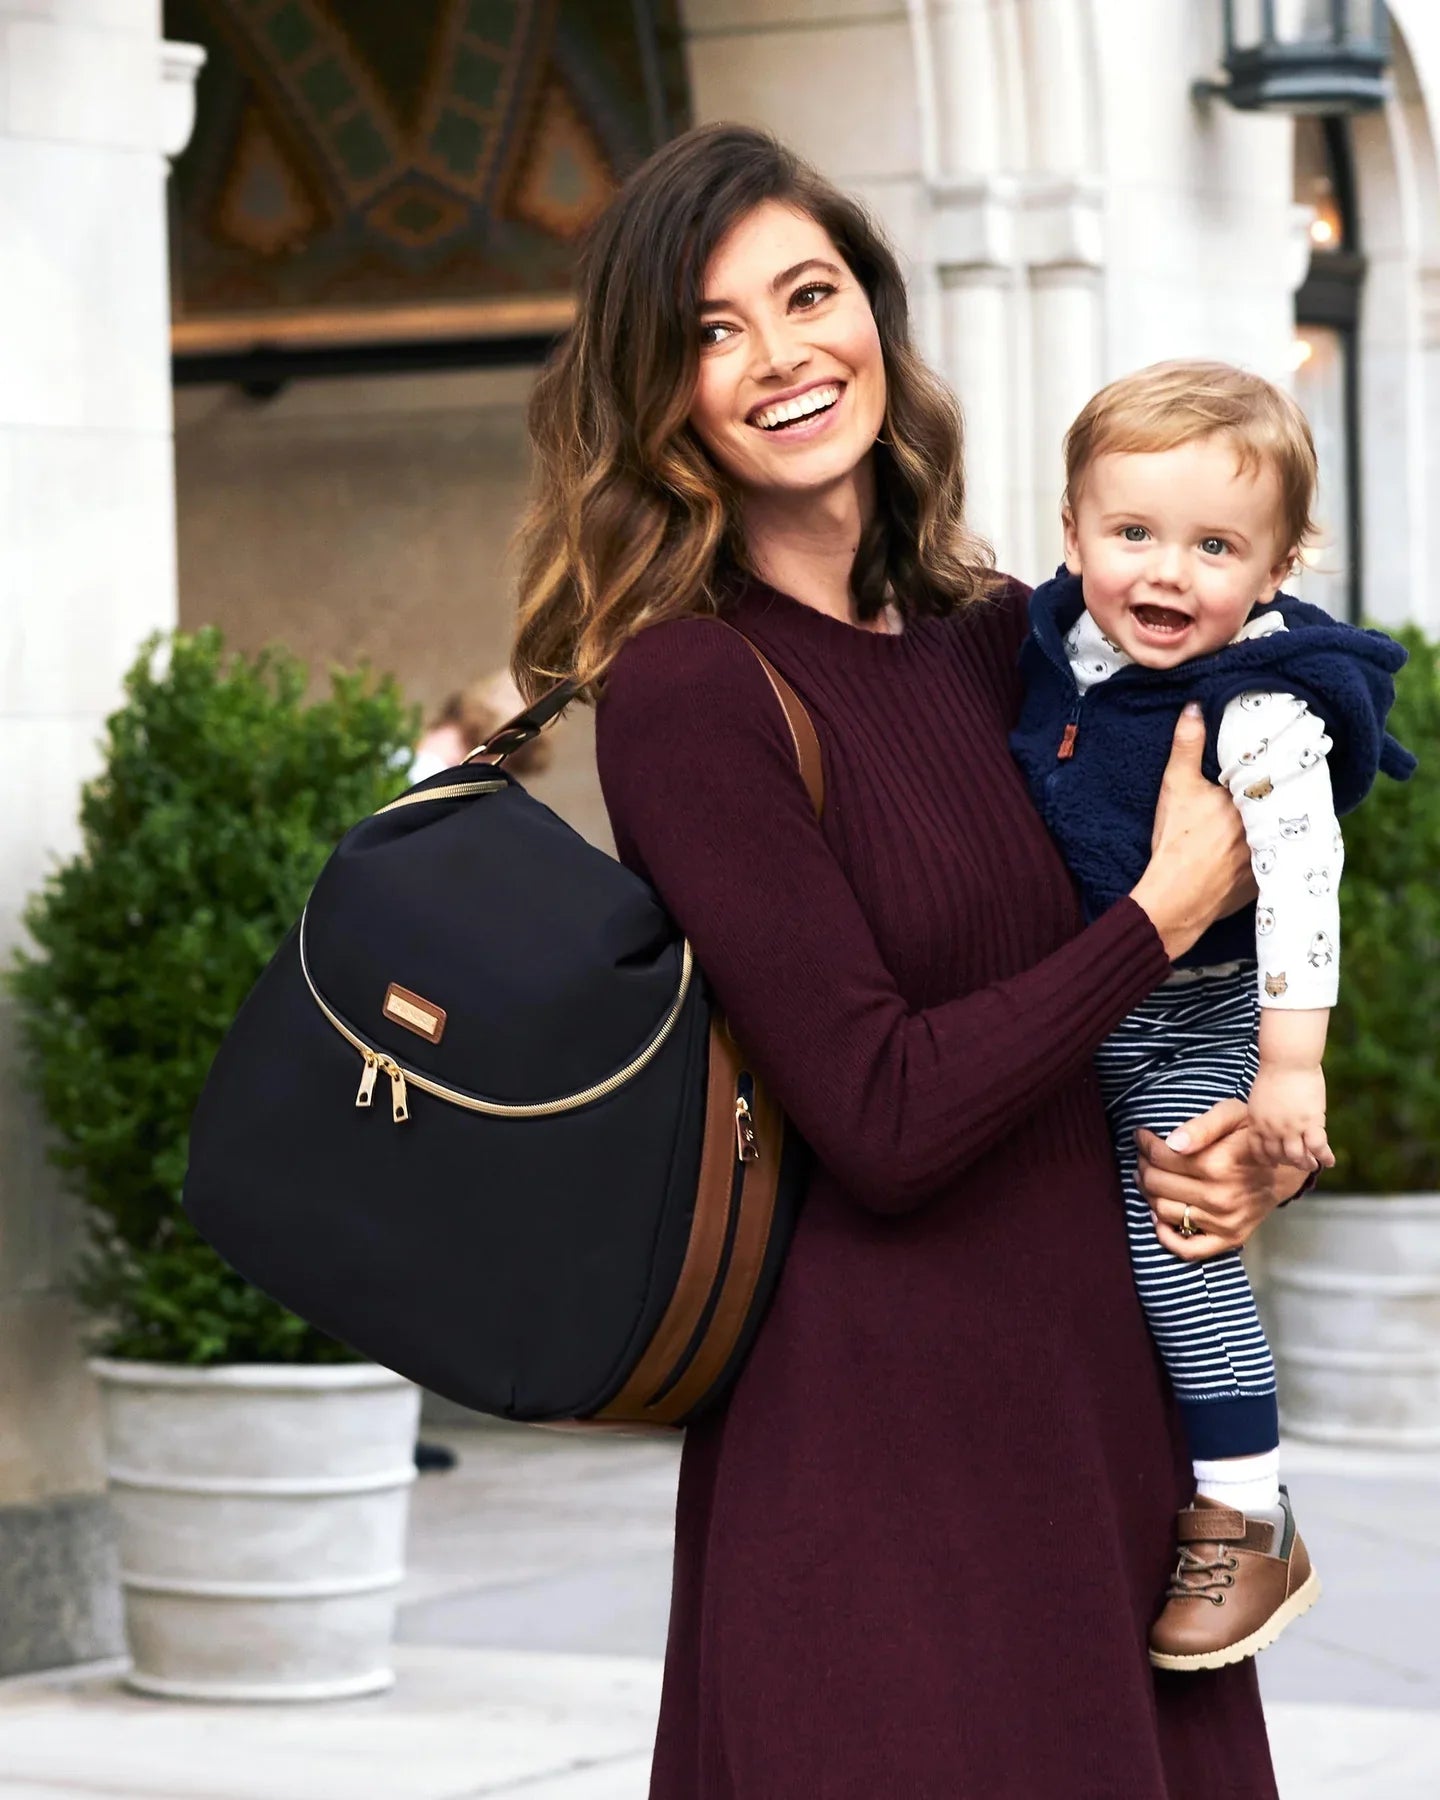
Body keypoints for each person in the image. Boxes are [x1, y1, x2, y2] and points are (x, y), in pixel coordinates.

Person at [511, 123, 1312, 1797]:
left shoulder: (1014, 639)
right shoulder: (693, 691)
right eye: (713, 330)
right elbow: (878, 1113)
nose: (780, 355)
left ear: (874, 312)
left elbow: (1150, 1001)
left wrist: (1236, 1139)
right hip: (880, 1456)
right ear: (661, 396)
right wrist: (1155, 915)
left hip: (1099, 1407)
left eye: (808, 294)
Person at [1010, 360, 1414, 1674]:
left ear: (1279, 565)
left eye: (1216, 547)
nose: (1167, 575)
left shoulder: (1261, 704)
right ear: (1072, 531)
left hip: (1196, 1019)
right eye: (1133, 532)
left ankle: (1248, 1510)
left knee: (1177, 1239)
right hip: (1072, 1014)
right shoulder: (1050, 645)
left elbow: (1301, 882)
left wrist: (1291, 1068)